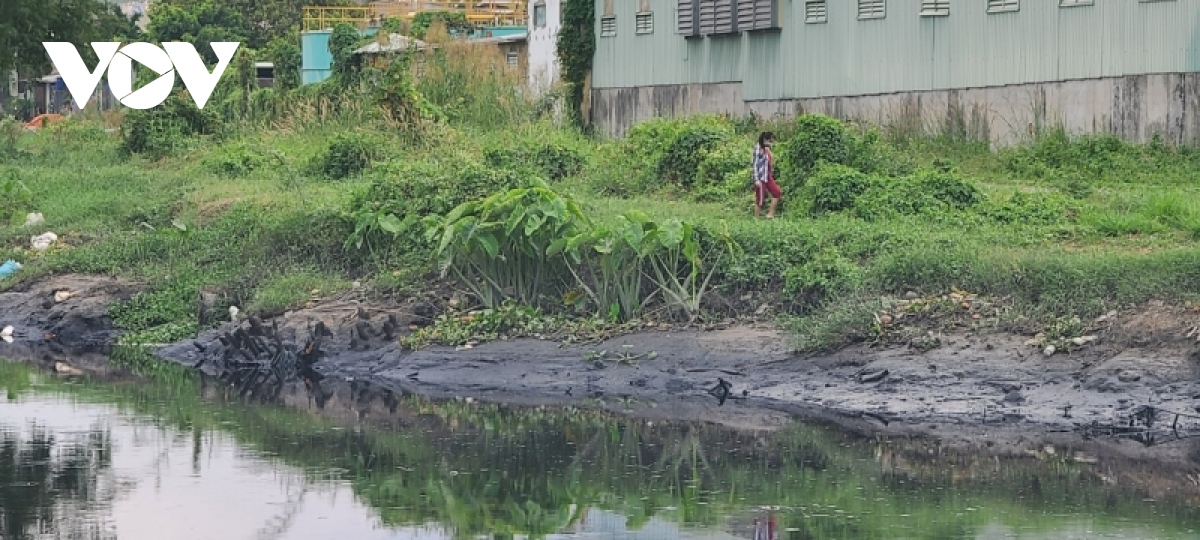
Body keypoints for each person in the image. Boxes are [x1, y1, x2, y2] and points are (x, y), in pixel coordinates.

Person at [753, 131, 781, 218]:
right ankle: (756, 219)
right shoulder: (758, 149)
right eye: (770, 141)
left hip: (767, 176)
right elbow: (754, 165)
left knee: (777, 193)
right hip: (761, 177)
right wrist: (756, 179)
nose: (771, 143)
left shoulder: (766, 149)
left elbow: (771, 160)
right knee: (760, 200)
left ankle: (770, 214)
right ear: (765, 140)